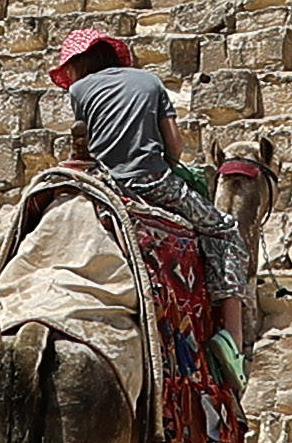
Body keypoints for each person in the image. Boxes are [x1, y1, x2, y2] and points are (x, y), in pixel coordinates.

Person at [47, 29, 251, 347]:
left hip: (103, 184)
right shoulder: (150, 82)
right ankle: (233, 338)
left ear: (78, 64)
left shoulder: (80, 90)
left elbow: (85, 144)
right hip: (152, 183)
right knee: (225, 230)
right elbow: (175, 147)